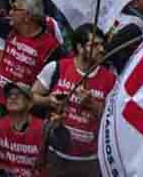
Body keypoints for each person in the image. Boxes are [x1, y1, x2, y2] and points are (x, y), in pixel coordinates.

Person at [32, 23, 115, 175]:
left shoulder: (110, 80)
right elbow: (31, 97)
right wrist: (49, 101)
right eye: (94, 45)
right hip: (55, 155)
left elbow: (113, 120)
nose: (101, 49)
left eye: (102, 44)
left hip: (88, 161)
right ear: (79, 47)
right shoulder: (56, 68)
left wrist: (92, 104)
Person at [0, 82, 68, 177]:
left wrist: (59, 128)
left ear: (30, 103)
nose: (12, 97)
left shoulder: (44, 127)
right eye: (9, 95)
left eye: (18, 94)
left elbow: (63, 145)